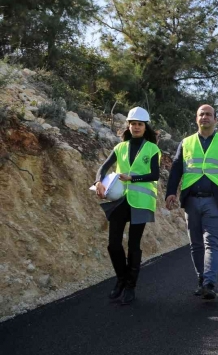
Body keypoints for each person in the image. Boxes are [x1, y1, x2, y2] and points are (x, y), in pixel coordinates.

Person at [165, 104, 218, 300]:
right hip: (191, 201)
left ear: (215, 119)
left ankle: (210, 283)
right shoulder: (186, 142)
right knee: (195, 245)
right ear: (196, 119)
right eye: (201, 114)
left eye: (209, 114)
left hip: (215, 202)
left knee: (212, 243)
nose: (205, 117)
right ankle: (201, 279)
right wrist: (170, 192)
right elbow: (176, 169)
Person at [94, 106, 161, 305]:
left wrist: (133, 177)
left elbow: (154, 175)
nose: (136, 127)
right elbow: (103, 167)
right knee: (113, 244)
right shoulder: (120, 147)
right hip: (120, 201)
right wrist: (98, 181)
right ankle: (121, 279)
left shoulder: (152, 148)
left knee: (133, 245)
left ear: (145, 126)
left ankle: (131, 286)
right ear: (128, 126)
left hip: (141, 202)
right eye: (133, 124)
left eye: (140, 124)